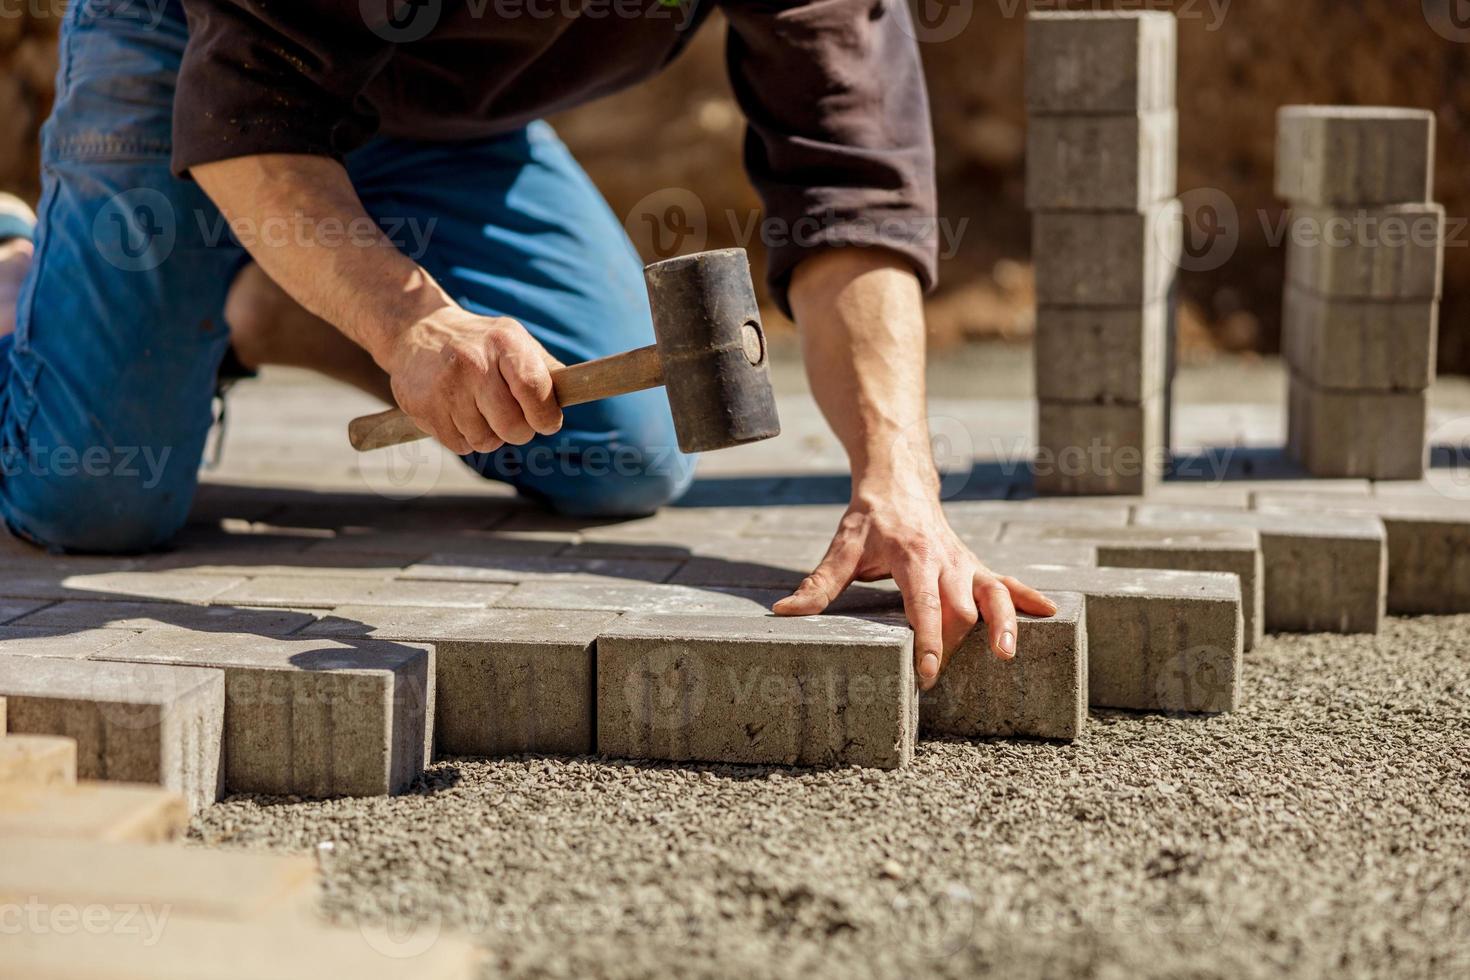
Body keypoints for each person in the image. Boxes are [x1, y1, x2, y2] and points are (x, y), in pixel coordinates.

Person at [0, 0, 1055, 691]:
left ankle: (268, 297)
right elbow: (247, 105)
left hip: (450, 113)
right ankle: (17, 268)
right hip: (201, 51)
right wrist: (409, 319)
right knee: (94, 501)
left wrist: (899, 482)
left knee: (623, 456)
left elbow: (850, 175)